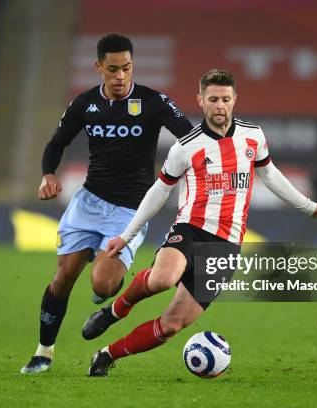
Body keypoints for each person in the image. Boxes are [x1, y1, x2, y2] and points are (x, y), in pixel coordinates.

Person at [82, 69, 317, 376]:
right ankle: (116, 310)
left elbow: (271, 175)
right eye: (213, 99)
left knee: (171, 325)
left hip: (226, 246)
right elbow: (159, 191)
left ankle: (107, 355)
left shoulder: (253, 137)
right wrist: (126, 236)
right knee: (164, 278)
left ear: (235, 100)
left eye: (225, 99)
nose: (220, 105)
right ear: (201, 100)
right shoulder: (185, 147)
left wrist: (310, 207)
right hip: (190, 229)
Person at [20, 33, 193, 374]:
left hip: (130, 211)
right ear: (98, 67)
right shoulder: (84, 104)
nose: (119, 76)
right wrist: (47, 174)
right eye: (112, 69)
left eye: (126, 68)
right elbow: (57, 143)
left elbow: (189, 137)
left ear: (132, 66)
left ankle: (105, 294)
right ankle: (43, 352)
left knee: (102, 285)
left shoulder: (154, 102)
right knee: (62, 278)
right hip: (89, 203)